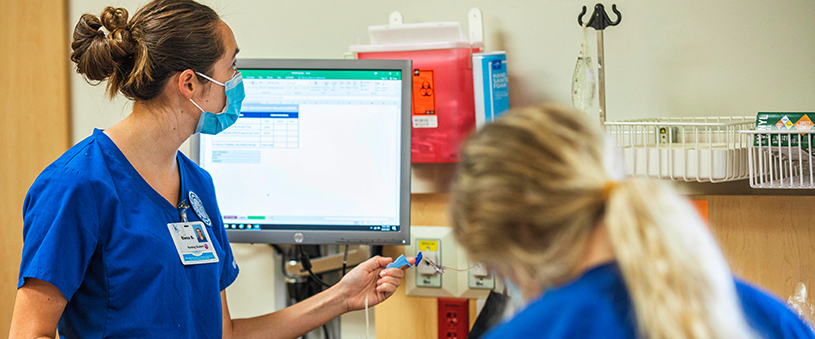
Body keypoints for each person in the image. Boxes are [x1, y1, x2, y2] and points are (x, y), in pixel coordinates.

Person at [9, 1, 411, 338]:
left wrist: (342, 296)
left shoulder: (197, 187)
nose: (237, 81)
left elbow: (225, 333)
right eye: (231, 68)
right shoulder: (77, 185)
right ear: (189, 84)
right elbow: (29, 332)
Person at [449, 104, 815, 339]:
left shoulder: (535, 332)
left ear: (523, 235)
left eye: (503, 270)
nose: (522, 294)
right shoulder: (771, 318)